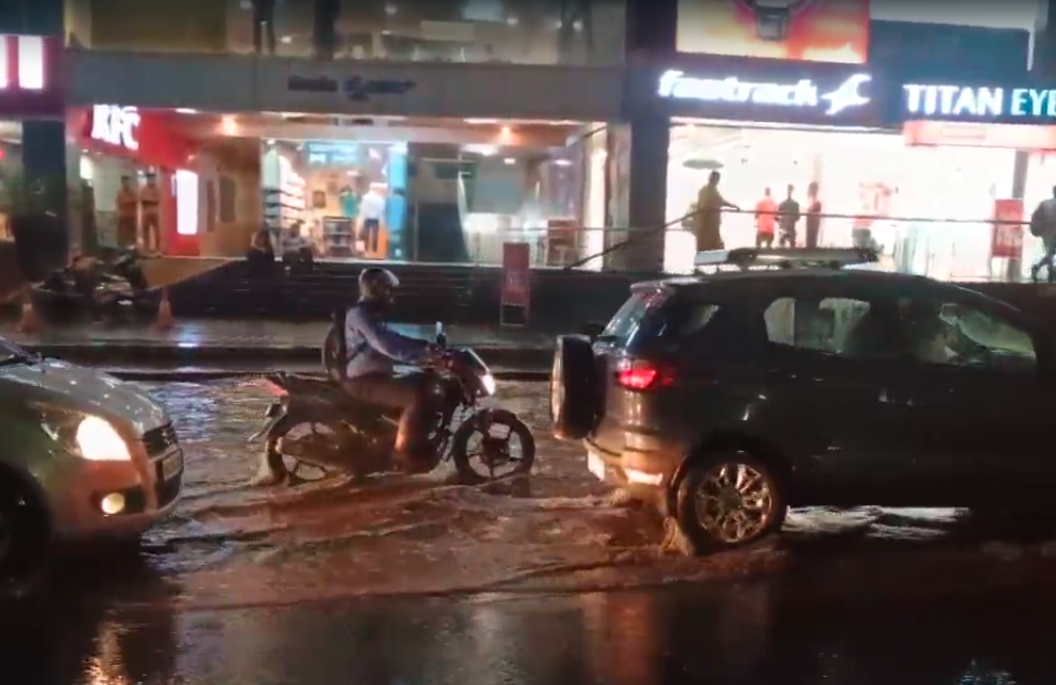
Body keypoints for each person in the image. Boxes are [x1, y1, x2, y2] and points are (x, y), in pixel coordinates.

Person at [341, 268, 443, 471]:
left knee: (424, 381)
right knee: (414, 397)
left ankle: (406, 435)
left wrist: (425, 346)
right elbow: (385, 344)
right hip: (364, 381)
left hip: (376, 376)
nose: (391, 295)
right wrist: (420, 354)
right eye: (387, 289)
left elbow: (394, 338)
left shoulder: (371, 314)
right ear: (374, 289)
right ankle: (402, 454)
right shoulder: (359, 314)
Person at [693, 171, 739, 252]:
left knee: (710, 243)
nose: (716, 181)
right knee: (713, 244)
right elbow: (718, 201)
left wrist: (732, 206)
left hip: (708, 224)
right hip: (708, 223)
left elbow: (719, 201)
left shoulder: (708, 190)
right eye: (716, 179)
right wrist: (732, 206)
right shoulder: (708, 190)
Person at [1030, 185, 1056, 283]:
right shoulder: (1046, 204)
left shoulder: (1045, 204)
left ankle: (1041, 268)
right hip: (1050, 230)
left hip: (1047, 231)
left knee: (1050, 252)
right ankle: (1050, 271)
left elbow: (1037, 217)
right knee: (1050, 253)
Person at [358, 183, 386, 256]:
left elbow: (362, 209)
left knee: (366, 234)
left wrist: (361, 219)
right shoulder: (379, 198)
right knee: (375, 234)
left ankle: (366, 249)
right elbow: (381, 210)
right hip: (375, 219)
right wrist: (381, 221)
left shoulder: (365, 197)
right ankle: (374, 249)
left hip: (367, 218)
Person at [140, 173, 161, 253]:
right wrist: (150, 200)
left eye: (153, 179)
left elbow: (158, 200)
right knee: (145, 230)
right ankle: (146, 248)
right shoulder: (143, 189)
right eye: (150, 179)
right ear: (147, 180)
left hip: (154, 211)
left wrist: (149, 200)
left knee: (157, 231)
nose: (151, 181)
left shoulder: (157, 189)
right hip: (146, 211)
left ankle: (157, 249)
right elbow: (142, 200)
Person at [116, 176, 138, 248]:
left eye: (127, 182)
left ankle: (132, 245)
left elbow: (134, 202)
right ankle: (122, 246)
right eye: (124, 182)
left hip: (131, 215)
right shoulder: (119, 192)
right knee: (122, 232)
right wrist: (127, 202)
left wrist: (126, 203)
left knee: (132, 231)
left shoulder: (133, 192)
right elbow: (119, 203)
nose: (126, 183)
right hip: (122, 215)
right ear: (122, 183)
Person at [777, 184, 801, 248]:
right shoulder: (793, 204)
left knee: (784, 243)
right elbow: (798, 217)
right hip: (788, 227)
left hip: (786, 227)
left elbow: (777, 216)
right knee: (790, 243)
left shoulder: (784, 204)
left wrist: (782, 220)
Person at [805, 182, 822, 249]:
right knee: (810, 239)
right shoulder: (810, 200)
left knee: (812, 239)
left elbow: (815, 211)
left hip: (813, 223)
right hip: (811, 222)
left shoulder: (817, 201)